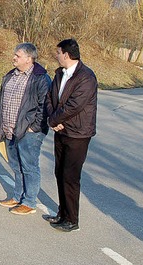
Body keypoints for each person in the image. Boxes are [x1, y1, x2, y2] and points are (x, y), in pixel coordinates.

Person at [43, 39, 98, 232]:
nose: (56, 56)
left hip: (77, 134)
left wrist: (55, 120)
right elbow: (50, 98)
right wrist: (53, 118)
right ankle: (62, 213)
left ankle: (72, 219)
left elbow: (75, 105)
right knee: (59, 172)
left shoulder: (86, 77)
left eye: (58, 52)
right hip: (61, 130)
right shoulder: (59, 74)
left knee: (71, 176)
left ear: (66, 54)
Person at [0, 43, 50, 215]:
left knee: (29, 167)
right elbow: (1, 101)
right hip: (10, 129)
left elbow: (45, 106)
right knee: (16, 166)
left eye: (17, 55)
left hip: (29, 133)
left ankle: (30, 202)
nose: (14, 58)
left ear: (28, 58)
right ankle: (18, 196)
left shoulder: (40, 78)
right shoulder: (11, 75)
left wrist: (34, 127)